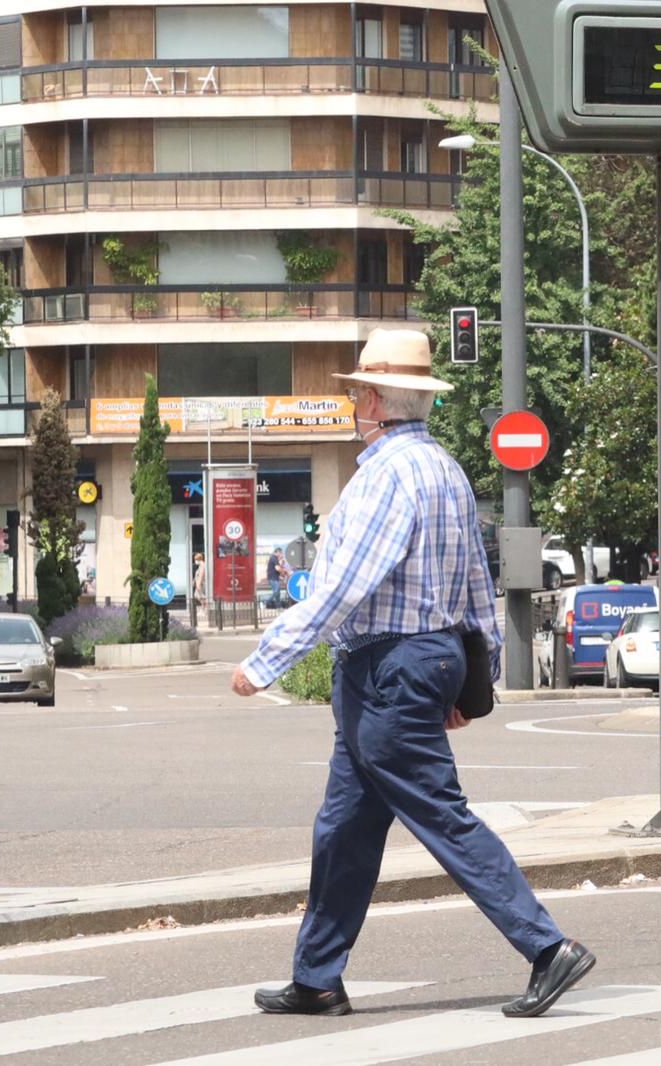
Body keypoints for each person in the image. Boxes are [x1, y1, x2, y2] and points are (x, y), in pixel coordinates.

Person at [231, 329, 594, 1020]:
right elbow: (476, 589)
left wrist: (265, 660)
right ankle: (316, 976)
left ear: (373, 400)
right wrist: (469, 677)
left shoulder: (385, 477)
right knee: (343, 827)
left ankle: (549, 947)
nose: (351, 407)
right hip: (418, 661)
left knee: (440, 815)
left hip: (386, 667)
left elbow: (341, 588)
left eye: (355, 394)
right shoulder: (446, 470)